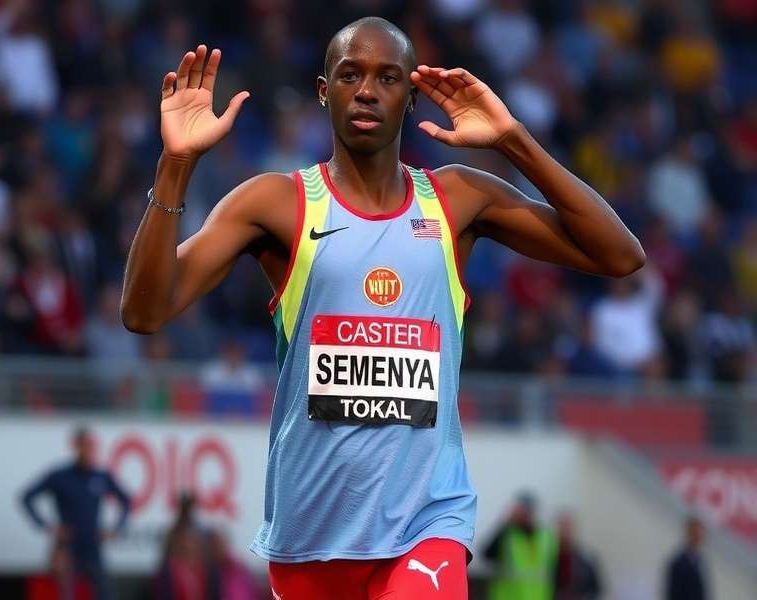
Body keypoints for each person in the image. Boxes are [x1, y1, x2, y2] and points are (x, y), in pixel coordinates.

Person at [121, 16, 645, 599]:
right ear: (325, 92)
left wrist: (512, 141)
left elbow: (620, 256)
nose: (367, 89)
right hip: (311, 534)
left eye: (388, 77)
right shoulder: (275, 203)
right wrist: (176, 165)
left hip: (428, 524)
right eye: (350, 74)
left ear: (411, 95)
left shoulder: (458, 199)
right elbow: (144, 313)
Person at [20, 427, 131, 600]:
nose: (87, 450)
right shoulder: (60, 476)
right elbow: (26, 497)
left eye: (90, 446)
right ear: (75, 447)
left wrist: (116, 528)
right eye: (83, 445)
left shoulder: (100, 476)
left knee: (104, 594)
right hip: (68, 549)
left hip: (93, 548)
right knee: (67, 594)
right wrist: (46, 526)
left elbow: (126, 500)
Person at [483, 492, 557, 600]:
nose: (524, 515)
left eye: (527, 511)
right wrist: (506, 523)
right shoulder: (507, 534)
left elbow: (554, 572)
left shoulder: (546, 537)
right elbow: (487, 554)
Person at [554, 512, 602, 600]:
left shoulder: (587, 559)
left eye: (568, 528)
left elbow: (596, 589)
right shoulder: (547, 558)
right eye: (562, 528)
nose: (565, 533)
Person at [664, 516, 709, 600]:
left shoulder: (700, 562)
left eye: (701, 534)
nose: (699, 538)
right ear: (689, 534)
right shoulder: (678, 563)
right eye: (696, 534)